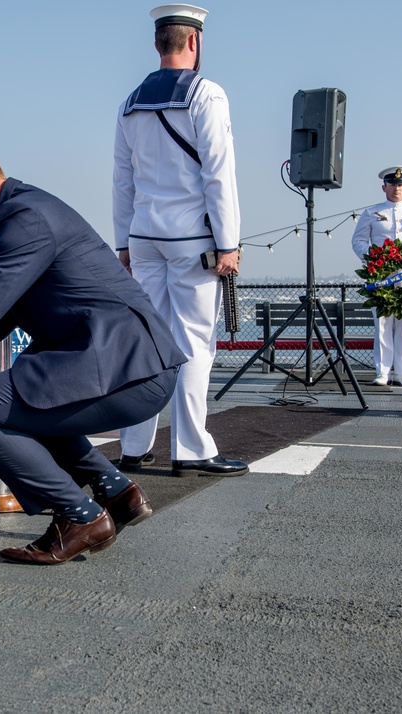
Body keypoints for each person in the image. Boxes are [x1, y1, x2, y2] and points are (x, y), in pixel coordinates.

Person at [0, 136, 186, 565]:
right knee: (17, 403)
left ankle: (80, 517)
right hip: (126, 363)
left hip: (127, 369)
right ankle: (117, 492)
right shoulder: (20, 212)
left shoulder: (24, 219)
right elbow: (0, 317)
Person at [111, 4, 247, 478]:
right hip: (192, 238)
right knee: (194, 343)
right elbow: (219, 176)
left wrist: (123, 242)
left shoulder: (131, 101)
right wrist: (228, 242)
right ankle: (191, 448)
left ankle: (133, 445)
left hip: (144, 235)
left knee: (148, 341)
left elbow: (122, 181)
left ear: (157, 44)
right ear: (195, 42)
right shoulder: (206, 95)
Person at [350, 166, 402, 387]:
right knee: (383, 325)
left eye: (400, 185)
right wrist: (372, 258)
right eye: (392, 184)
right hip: (382, 276)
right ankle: (383, 372)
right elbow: (358, 241)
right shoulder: (372, 213)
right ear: (384, 187)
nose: (396, 188)